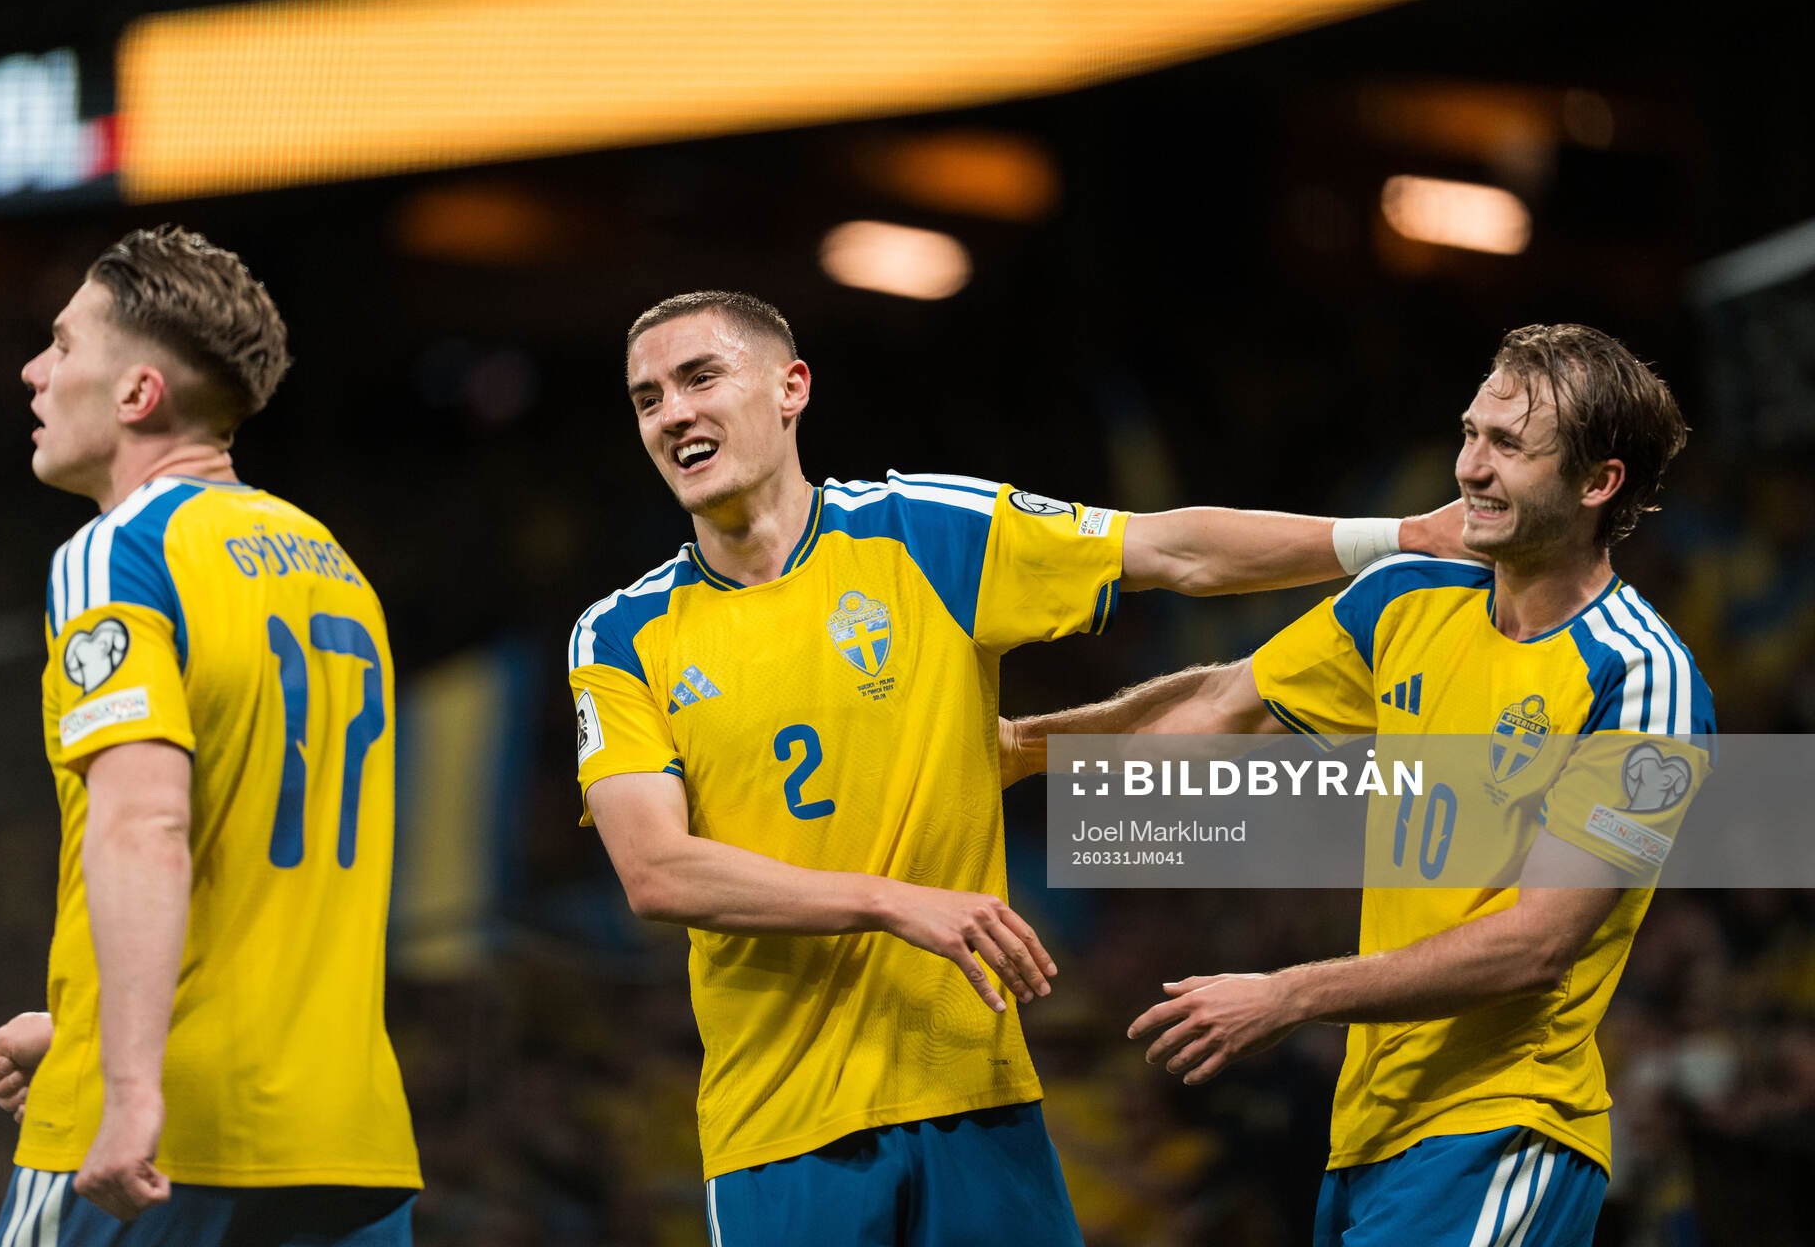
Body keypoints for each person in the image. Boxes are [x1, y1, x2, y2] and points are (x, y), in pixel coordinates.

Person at [566, 289, 1466, 1245]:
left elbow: (1169, 549)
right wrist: (894, 900)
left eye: (700, 378)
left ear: (791, 389)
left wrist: (1400, 538)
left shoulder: (923, 532)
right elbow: (657, 872)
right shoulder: (622, 635)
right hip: (780, 1128)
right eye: (648, 398)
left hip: (974, 1092)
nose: (673, 414)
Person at [1005, 323, 1715, 1246]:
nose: (1470, 468)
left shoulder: (1644, 677)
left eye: (1508, 447)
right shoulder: (1411, 594)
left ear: (1597, 483)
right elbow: (1226, 706)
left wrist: (1290, 994)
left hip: (1503, 1128)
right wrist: (1016, 748)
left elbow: (1539, 943)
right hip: (1368, 1132)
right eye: (1470, 434)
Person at [0, 227, 421, 1245]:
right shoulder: (331, 563)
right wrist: (83, 1024)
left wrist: (127, 1084)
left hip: (175, 1134)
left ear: (137, 394)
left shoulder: (120, 554)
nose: (35, 373)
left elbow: (144, 827)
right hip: (347, 1140)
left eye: (64, 345)